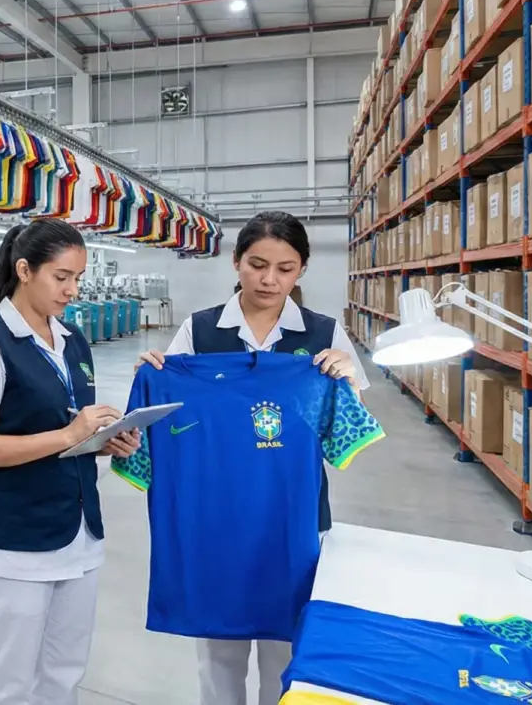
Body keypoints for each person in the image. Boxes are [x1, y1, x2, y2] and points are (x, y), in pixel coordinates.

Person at [136, 210, 369, 705]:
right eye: (257, 264)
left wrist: (347, 376)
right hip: (217, 513)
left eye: (285, 268)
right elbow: (165, 418)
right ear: (236, 262)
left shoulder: (324, 336)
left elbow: (346, 426)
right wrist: (155, 373)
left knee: (286, 649)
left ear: (302, 270)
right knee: (219, 651)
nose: (269, 279)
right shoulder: (200, 331)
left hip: (294, 517)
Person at [0, 218, 140, 705]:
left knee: (64, 673)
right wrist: (70, 433)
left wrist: (103, 442)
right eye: (62, 277)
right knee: (7, 683)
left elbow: (70, 432)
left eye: (78, 278)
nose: (72, 289)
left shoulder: (73, 340)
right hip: (16, 538)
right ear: (24, 270)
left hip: (78, 533)